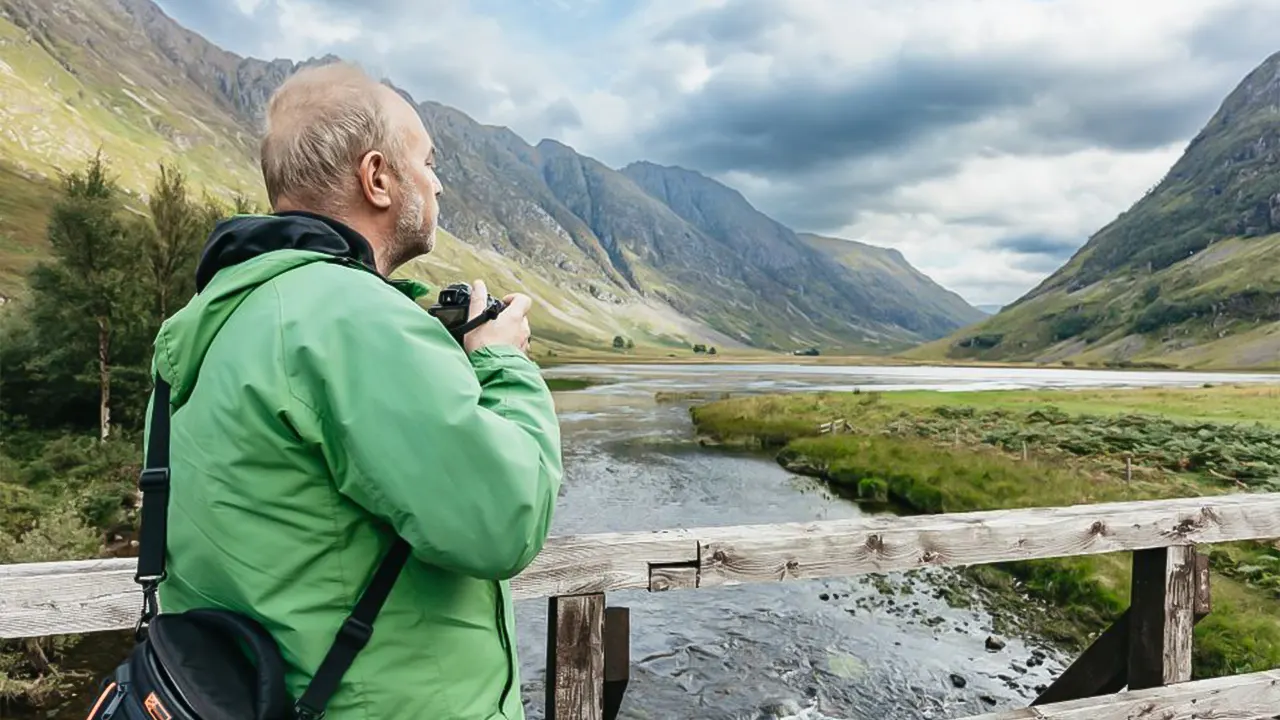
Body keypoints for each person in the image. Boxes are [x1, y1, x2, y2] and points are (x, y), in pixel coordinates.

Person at [145, 61, 563, 719]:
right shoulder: (351, 321)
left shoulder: (204, 323)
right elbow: (503, 521)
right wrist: (503, 363)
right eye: (426, 162)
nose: (439, 181)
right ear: (377, 178)